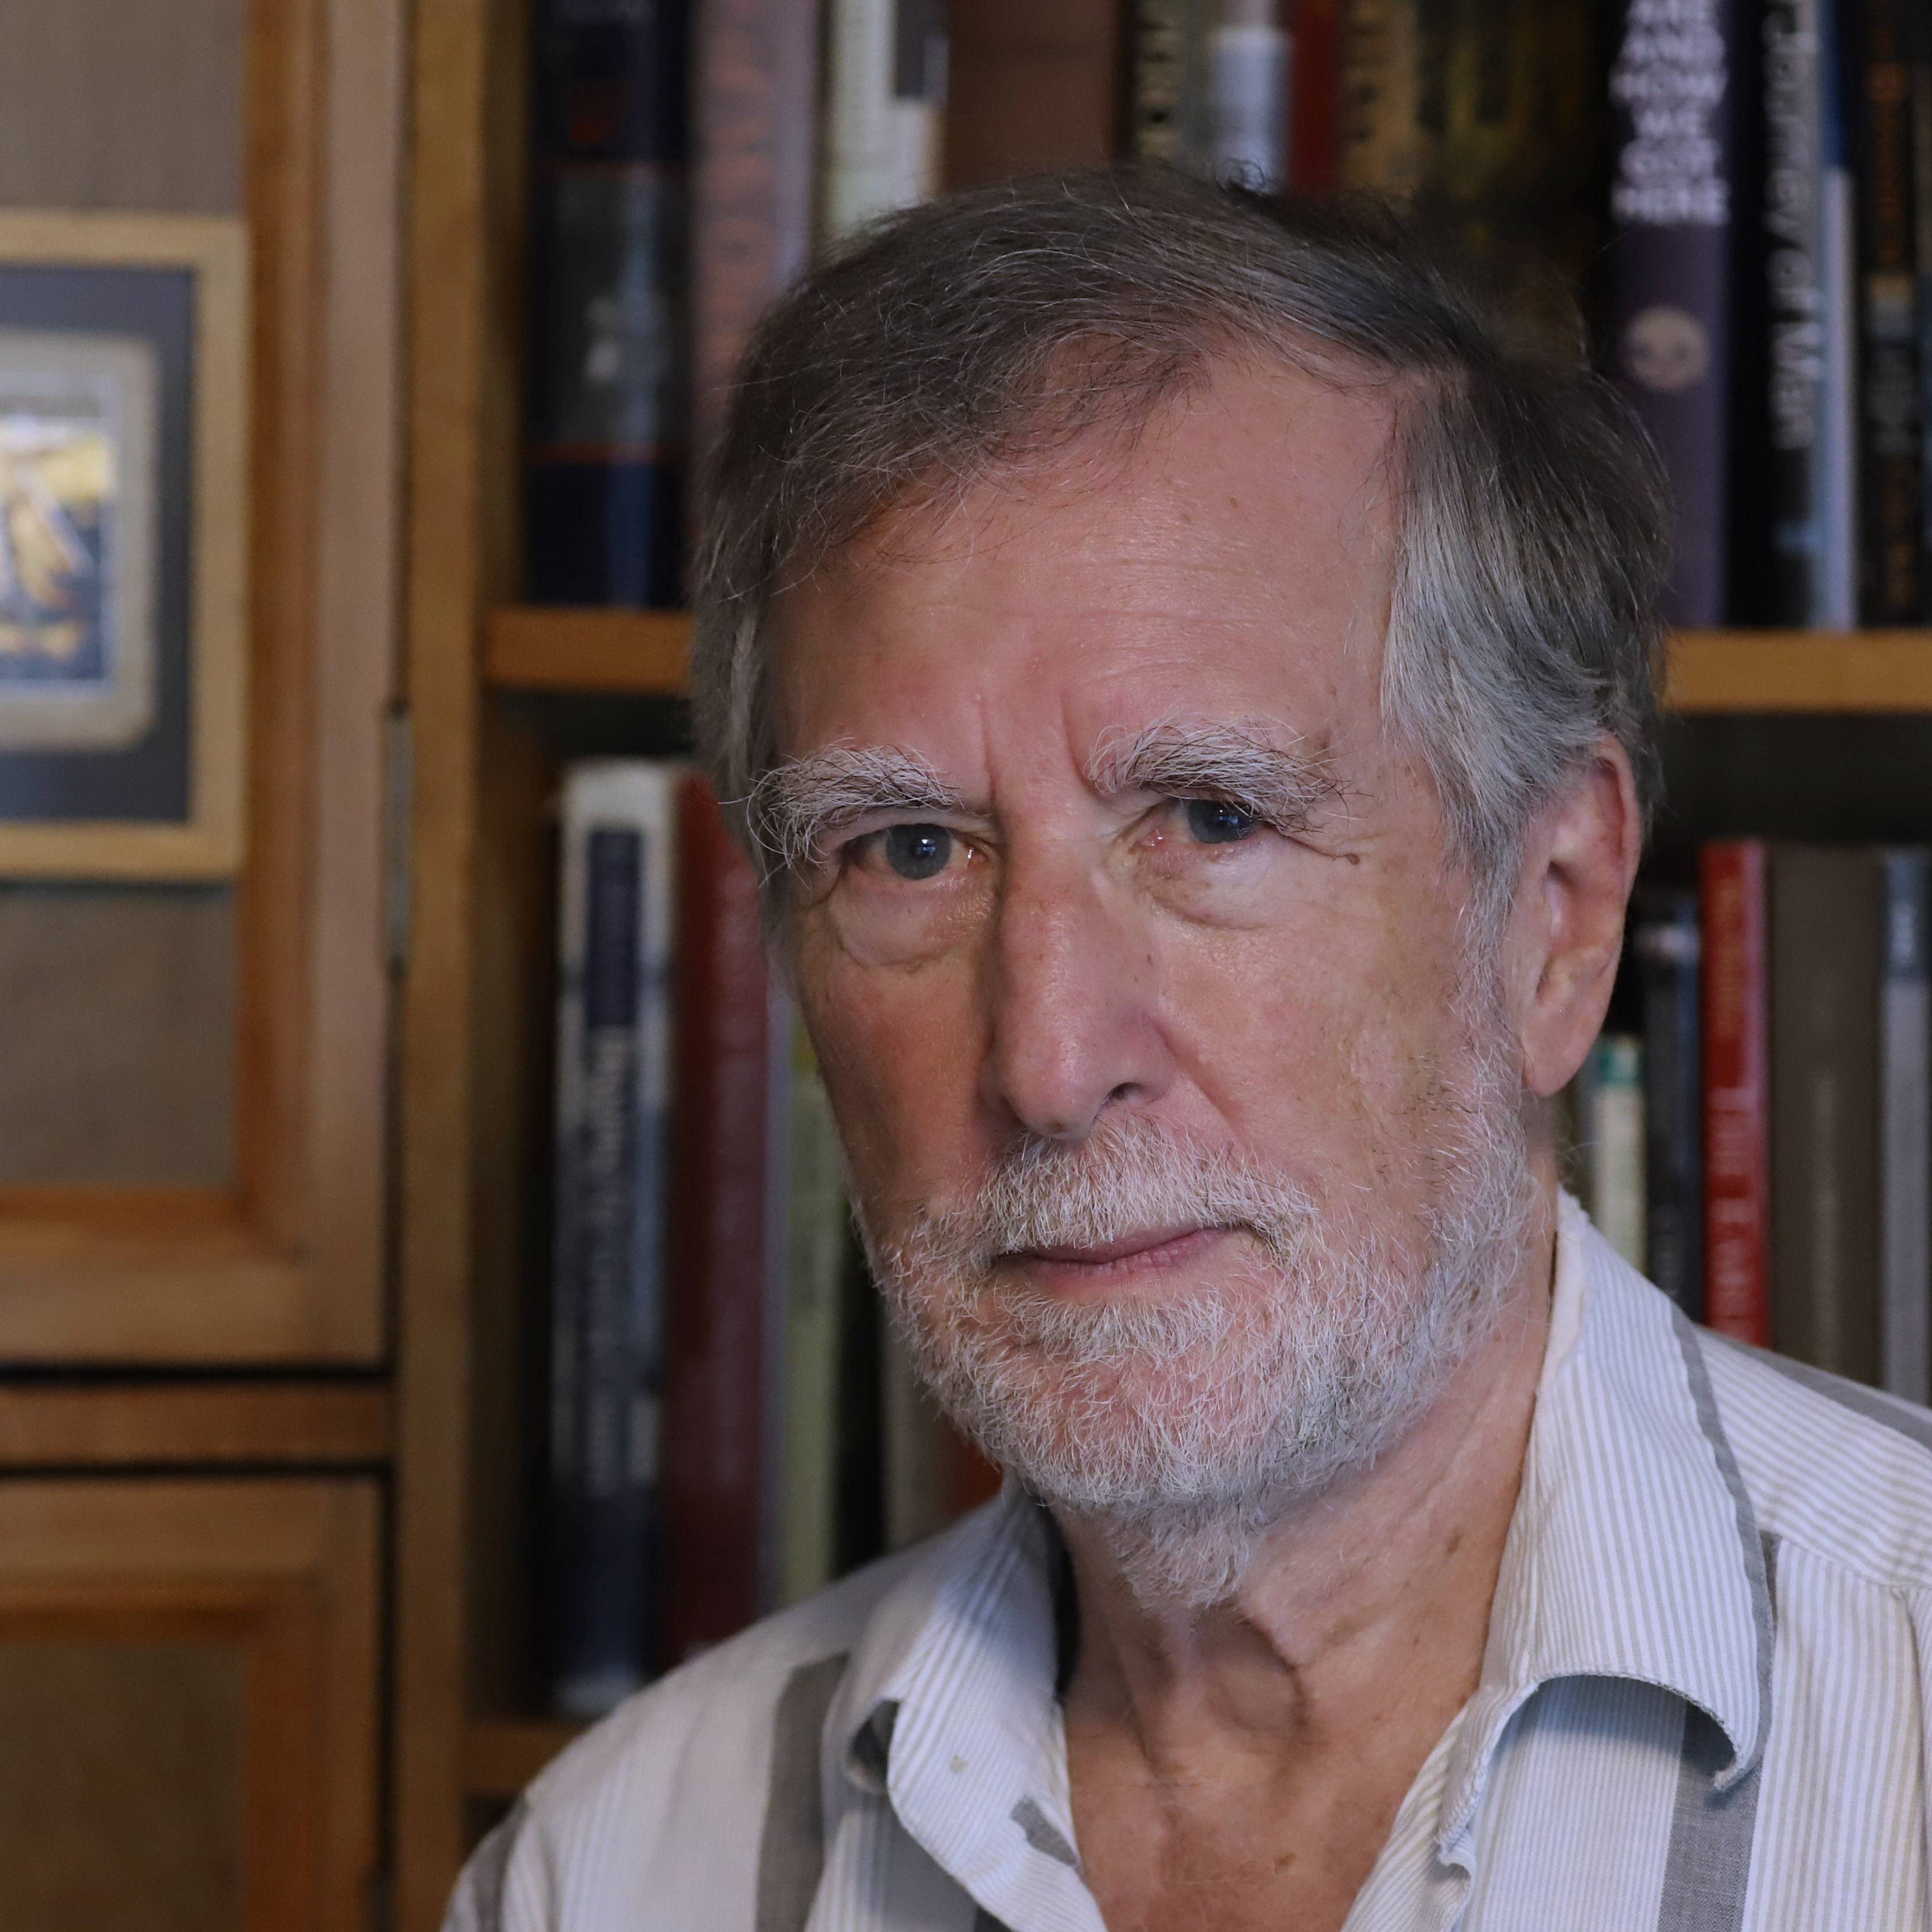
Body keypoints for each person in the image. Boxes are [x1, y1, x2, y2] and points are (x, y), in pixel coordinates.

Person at [449, 173, 1932, 1932]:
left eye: (1212, 819)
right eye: (909, 852)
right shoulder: (611, 1874)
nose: (1049, 1061)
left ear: (1555, 915)